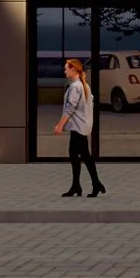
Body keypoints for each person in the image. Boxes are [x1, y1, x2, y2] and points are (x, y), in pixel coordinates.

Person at [54, 57, 105, 198]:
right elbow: (90, 102)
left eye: (66, 69)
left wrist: (60, 125)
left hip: (78, 127)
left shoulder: (76, 87)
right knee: (76, 155)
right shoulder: (84, 85)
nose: (64, 71)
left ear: (73, 69)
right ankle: (78, 185)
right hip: (81, 126)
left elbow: (70, 108)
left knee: (83, 156)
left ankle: (94, 184)